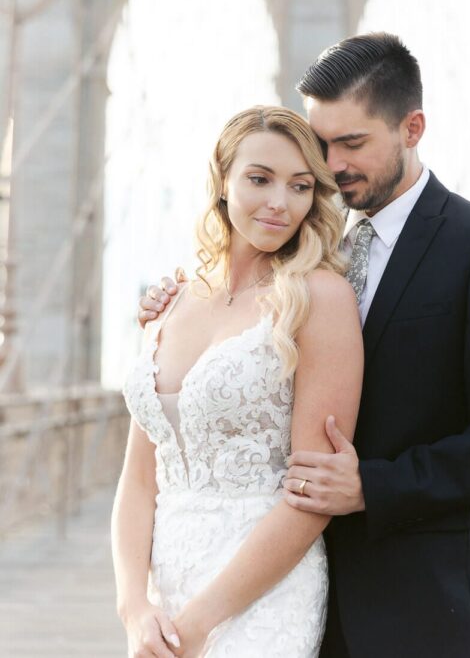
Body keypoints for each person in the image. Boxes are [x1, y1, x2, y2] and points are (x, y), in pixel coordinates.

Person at [139, 33, 470, 658]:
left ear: (412, 128)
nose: (330, 166)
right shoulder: (309, 249)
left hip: (415, 602)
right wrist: (176, 314)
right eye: (319, 143)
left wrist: (371, 487)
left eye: (351, 143)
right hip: (280, 591)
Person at [112, 106, 364, 658]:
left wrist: (201, 622)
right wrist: (134, 607)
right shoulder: (174, 299)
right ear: (223, 181)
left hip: (262, 594)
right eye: (259, 179)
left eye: (300, 187)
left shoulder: (319, 299)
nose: (280, 202)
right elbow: (138, 481)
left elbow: (311, 494)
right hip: (166, 591)